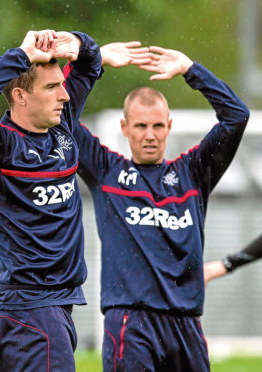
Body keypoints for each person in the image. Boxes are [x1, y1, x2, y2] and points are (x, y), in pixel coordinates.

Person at [0, 28, 150, 371]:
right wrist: (21, 55)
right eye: (51, 87)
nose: (64, 95)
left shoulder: (60, 128)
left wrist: (77, 43)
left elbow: (88, 64)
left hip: (49, 310)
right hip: (31, 312)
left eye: (62, 84)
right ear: (20, 96)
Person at [74, 46, 250, 371]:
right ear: (125, 128)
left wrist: (190, 69)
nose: (150, 135)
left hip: (186, 325)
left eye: (157, 126)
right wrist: (93, 61)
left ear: (169, 126)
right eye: (141, 126)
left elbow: (236, 116)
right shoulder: (106, 171)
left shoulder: (193, 173)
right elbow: (62, 117)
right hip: (130, 321)